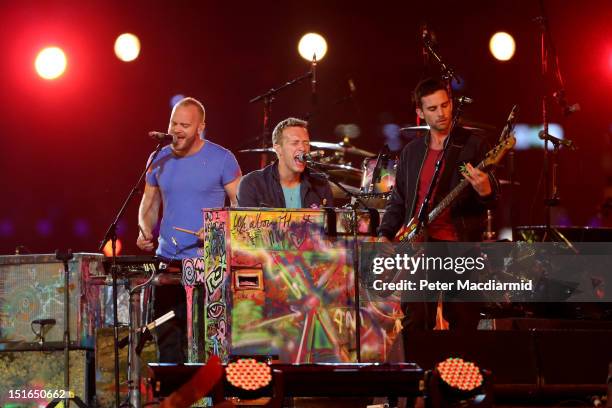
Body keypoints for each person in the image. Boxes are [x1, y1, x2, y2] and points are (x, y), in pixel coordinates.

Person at [378, 78, 498, 331]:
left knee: (464, 323)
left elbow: (491, 197)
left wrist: (486, 191)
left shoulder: (473, 145)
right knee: (416, 322)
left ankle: (460, 371)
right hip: (420, 248)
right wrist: (385, 233)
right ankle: (420, 372)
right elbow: (398, 199)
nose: (441, 113)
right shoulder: (411, 152)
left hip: (460, 247)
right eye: (432, 109)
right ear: (420, 113)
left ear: (452, 104)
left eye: (445, 105)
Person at [136, 97, 241, 362]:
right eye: (173, 122)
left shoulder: (222, 158)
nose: (177, 129)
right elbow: (149, 203)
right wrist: (144, 230)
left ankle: (206, 401)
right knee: (168, 339)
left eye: (185, 124)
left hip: (209, 264)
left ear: (200, 127)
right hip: (168, 263)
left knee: (205, 340)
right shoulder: (158, 158)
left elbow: (242, 207)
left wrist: (217, 229)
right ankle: (174, 399)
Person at [237, 117, 333, 208]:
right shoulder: (252, 184)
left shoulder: (321, 183)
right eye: (295, 143)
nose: (303, 148)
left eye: (306, 143)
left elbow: (330, 224)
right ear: (278, 149)